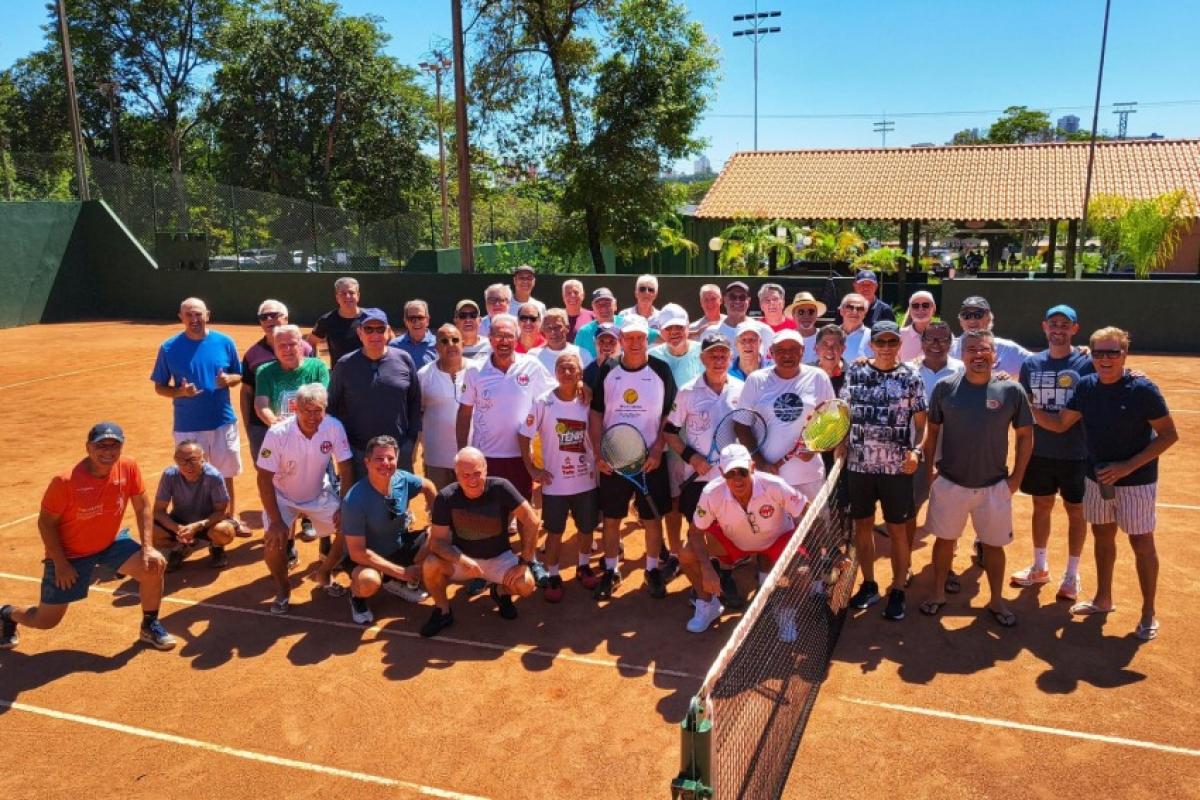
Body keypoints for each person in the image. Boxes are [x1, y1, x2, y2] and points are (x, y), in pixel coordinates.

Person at [1032, 326, 1177, 641]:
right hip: (1096, 478)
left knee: (1141, 544)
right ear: (1092, 355)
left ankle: (1148, 612)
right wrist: (1025, 403)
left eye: (1113, 352)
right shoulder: (1085, 386)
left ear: (1125, 354)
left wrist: (1126, 467)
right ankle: (1103, 599)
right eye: (1099, 353)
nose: (1106, 359)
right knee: (1102, 537)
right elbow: (1059, 424)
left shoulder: (1142, 389)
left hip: (1136, 481)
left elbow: (1169, 435)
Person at [1, 423, 174, 651]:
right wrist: (61, 564)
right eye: (101, 445)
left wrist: (148, 548)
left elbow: (142, 506)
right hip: (70, 554)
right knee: (45, 620)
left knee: (152, 566)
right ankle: (7, 614)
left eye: (115, 445)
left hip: (109, 542)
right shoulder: (65, 482)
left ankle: (149, 625)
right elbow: (45, 523)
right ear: (88, 448)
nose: (108, 452)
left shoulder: (128, 467)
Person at [920, 330, 1033, 628]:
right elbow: (931, 435)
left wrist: (1016, 480)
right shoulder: (945, 388)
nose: (978, 355)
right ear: (962, 354)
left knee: (994, 547)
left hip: (994, 486)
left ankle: (996, 600)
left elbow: (1025, 437)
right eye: (971, 349)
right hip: (950, 482)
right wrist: (929, 473)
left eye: (984, 349)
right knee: (944, 542)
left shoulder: (1011, 391)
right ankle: (937, 592)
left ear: (994, 354)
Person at [841, 321, 927, 621]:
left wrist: (916, 451)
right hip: (859, 466)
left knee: (898, 531)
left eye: (892, 342)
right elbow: (843, 413)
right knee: (863, 527)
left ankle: (899, 589)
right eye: (881, 342)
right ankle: (869, 584)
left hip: (897, 468)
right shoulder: (856, 372)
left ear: (899, 344)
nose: (887, 347)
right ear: (872, 344)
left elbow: (921, 423)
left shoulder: (911, 377)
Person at [589, 316, 678, 600]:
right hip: (615, 457)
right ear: (621, 340)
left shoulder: (661, 370)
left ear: (647, 339)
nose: (636, 343)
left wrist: (656, 448)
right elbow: (596, 413)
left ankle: (652, 569)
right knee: (612, 518)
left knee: (652, 519)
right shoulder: (609, 370)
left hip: (651, 458)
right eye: (629, 337)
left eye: (641, 337)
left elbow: (669, 414)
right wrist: (598, 450)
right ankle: (611, 570)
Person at [682, 444, 808, 636]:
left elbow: (808, 511)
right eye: (730, 473)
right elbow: (695, 533)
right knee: (687, 553)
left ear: (752, 467)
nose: (737, 478)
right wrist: (707, 569)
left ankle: (785, 613)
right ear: (722, 473)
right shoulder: (711, 493)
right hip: (734, 542)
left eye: (742, 471)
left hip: (777, 539)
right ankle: (708, 605)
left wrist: (826, 552)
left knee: (802, 573)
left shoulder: (774, 485)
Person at [1013, 305, 1094, 602]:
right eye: (1053, 323)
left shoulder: (1086, 363)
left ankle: (1072, 574)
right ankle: (1039, 566)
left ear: (1075, 329)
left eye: (1065, 324)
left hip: (1077, 453)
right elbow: (1021, 407)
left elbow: (1060, 423)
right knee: (1041, 506)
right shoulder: (1031, 364)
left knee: (1076, 511)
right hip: (1041, 452)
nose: (1058, 328)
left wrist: (1032, 410)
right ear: (1044, 327)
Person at [151, 297, 249, 537]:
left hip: (223, 421)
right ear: (181, 317)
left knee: (225, 473)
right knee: (190, 473)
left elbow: (239, 375)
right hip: (188, 426)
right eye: (189, 315)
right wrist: (180, 392)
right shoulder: (169, 348)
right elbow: (160, 387)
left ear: (208, 315)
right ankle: (192, 523)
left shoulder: (225, 342)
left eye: (198, 314)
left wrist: (230, 379)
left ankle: (230, 518)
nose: (194, 319)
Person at [419, 447, 541, 637]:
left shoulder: (501, 487)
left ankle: (500, 592)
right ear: (456, 474)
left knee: (526, 585)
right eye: (465, 475)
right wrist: (460, 559)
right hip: (462, 560)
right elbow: (437, 543)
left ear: (486, 469)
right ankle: (442, 611)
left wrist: (524, 563)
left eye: (477, 473)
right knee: (430, 564)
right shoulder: (446, 497)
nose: (472, 480)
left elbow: (532, 521)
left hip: (499, 557)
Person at [257, 383, 355, 614]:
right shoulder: (277, 433)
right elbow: (263, 478)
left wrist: (343, 506)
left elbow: (346, 468)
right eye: (306, 410)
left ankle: (325, 573)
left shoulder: (333, 427)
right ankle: (283, 588)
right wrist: (276, 520)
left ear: (325, 409)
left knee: (349, 526)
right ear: (296, 408)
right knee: (273, 542)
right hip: (282, 496)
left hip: (317, 493)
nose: (312, 417)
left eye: (317, 410)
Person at [664, 333, 746, 607]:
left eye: (724, 354)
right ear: (702, 359)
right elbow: (670, 432)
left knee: (728, 529)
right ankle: (701, 580)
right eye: (713, 354)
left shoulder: (741, 388)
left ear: (730, 358)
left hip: (731, 477)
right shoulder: (687, 392)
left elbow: (747, 430)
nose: (719, 359)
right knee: (698, 530)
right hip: (697, 479)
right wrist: (693, 458)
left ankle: (726, 575)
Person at [519, 352, 599, 600]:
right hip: (555, 485)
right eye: (562, 368)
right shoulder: (543, 403)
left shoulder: (588, 401)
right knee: (554, 533)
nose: (566, 373)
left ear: (580, 373)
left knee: (586, 529)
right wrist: (533, 469)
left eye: (571, 369)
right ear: (555, 373)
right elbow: (524, 435)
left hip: (586, 481)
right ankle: (553, 575)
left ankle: (583, 566)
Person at [457, 314, 556, 506]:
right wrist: (463, 452)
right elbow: (464, 413)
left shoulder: (531, 365)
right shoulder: (474, 370)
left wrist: (579, 385)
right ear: (490, 338)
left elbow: (554, 394)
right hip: (485, 456)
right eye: (498, 335)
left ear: (517, 339)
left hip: (522, 456)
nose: (504, 341)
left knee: (523, 511)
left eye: (509, 336)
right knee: (489, 513)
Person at [341, 435, 438, 625]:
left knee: (439, 535)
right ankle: (356, 596)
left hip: (397, 546)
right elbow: (357, 552)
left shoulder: (402, 479)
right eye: (379, 458)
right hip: (365, 559)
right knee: (369, 581)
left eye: (390, 458)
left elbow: (428, 486)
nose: (385, 463)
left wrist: (436, 519)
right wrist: (402, 572)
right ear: (367, 462)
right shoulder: (354, 500)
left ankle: (395, 582)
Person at [739, 330, 836, 500]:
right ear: (771, 352)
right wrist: (760, 462)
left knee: (815, 526)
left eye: (793, 349)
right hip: (768, 478)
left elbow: (831, 421)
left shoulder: (818, 377)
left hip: (809, 477)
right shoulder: (755, 380)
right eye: (781, 350)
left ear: (803, 351)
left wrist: (815, 447)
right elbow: (741, 425)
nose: (787, 355)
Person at [905, 321, 963, 592]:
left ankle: (947, 566)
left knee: (949, 515)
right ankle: (904, 565)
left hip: (951, 455)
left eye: (943, 340)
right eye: (931, 339)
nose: (936, 345)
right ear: (922, 342)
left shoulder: (962, 370)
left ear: (951, 343)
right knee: (910, 510)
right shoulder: (909, 370)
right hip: (916, 453)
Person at [329, 308, 422, 475]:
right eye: (368, 329)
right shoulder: (344, 365)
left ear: (388, 332)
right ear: (359, 332)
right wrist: (344, 447)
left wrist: (410, 442)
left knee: (398, 500)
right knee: (360, 500)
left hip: (397, 452)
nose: (375, 334)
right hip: (358, 453)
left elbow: (415, 401)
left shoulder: (404, 359)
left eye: (380, 329)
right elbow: (332, 407)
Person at [648, 303, 703, 575]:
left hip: (698, 441)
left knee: (699, 500)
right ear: (661, 331)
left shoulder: (703, 352)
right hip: (667, 440)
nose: (674, 332)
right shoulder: (652, 356)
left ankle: (699, 550)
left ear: (688, 328)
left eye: (679, 327)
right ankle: (674, 552)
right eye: (668, 328)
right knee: (672, 502)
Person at [241, 299, 313, 465]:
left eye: (273, 315)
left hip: (303, 425)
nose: (268, 320)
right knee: (267, 473)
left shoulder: (306, 349)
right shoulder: (252, 354)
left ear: (286, 319)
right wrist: (249, 427)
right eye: (263, 317)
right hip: (263, 428)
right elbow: (246, 392)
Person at [153, 440, 236, 571]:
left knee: (224, 531)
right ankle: (180, 547)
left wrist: (198, 526)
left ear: (202, 458)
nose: (188, 466)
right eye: (182, 461)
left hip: (207, 524)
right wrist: (177, 528)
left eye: (192, 460)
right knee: (150, 530)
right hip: (180, 523)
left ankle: (216, 547)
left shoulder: (214, 476)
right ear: (175, 460)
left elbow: (221, 512)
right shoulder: (169, 475)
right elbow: (158, 511)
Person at [418, 324, 470, 490]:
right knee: (439, 507)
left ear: (463, 344)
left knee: (470, 508)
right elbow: (417, 412)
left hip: (472, 455)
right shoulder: (424, 375)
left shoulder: (478, 371)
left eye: (455, 340)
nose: (451, 344)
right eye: (444, 341)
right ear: (436, 347)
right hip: (436, 457)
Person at [254, 325, 330, 427]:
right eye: (281, 345)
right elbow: (261, 405)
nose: (287, 349)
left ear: (301, 345)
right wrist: (275, 422)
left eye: (292, 344)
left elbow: (325, 401)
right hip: (282, 432)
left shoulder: (318, 367)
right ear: (275, 348)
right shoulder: (264, 371)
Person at [950, 296, 1032, 375]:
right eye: (966, 315)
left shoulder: (1007, 348)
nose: (972, 320)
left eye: (978, 315)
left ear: (989, 318)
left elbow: (1037, 365)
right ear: (961, 321)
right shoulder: (951, 348)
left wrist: (1012, 380)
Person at [308, 277, 369, 368]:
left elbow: (389, 339)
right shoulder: (327, 320)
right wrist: (315, 366)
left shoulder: (370, 318)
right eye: (343, 293)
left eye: (351, 293)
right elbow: (310, 343)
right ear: (337, 297)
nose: (347, 296)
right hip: (339, 375)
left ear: (358, 296)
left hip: (368, 373)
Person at [530, 307, 593, 375]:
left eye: (557, 327)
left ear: (567, 328)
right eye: (548, 328)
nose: (553, 332)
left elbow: (589, 383)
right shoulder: (533, 356)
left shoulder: (583, 354)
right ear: (543, 330)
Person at [716, 281, 772, 354]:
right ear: (725, 300)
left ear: (748, 301)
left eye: (742, 297)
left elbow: (772, 362)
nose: (737, 301)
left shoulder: (764, 330)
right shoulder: (712, 332)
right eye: (732, 297)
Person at [575, 287, 624, 358]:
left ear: (615, 305)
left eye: (607, 303)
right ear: (593, 308)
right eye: (598, 304)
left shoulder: (626, 325)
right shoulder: (584, 332)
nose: (603, 308)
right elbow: (576, 358)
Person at [388, 299, 437, 367]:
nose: (416, 322)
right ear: (405, 321)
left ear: (427, 320)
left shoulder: (439, 345)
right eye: (412, 318)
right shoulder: (394, 346)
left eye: (420, 317)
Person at [785, 291, 826, 364]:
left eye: (811, 312)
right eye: (801, 312)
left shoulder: (825, 337)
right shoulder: (786, 339)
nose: (806, 316)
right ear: (793, 315)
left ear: (816, 315)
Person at [898, 291, 937, 362]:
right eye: (915, 306)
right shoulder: (899, 335)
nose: (920, 309)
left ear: (934, 309)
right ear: (910, 310)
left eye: (925, 305)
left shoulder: (943, 335)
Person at [837, 293, 874, 366]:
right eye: (850, 307)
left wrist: (869, 361)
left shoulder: (873, 336)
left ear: (865, 314)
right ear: (841, 311)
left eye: (860, 309)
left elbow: (887, 360)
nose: (855, 311)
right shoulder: (830, 334)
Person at [582, 322, 621, 391]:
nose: (606, 345)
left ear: (620, 343)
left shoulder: (628, 368)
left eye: (611, 341)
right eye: (602, 341)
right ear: (594, 343)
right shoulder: (587, 373)